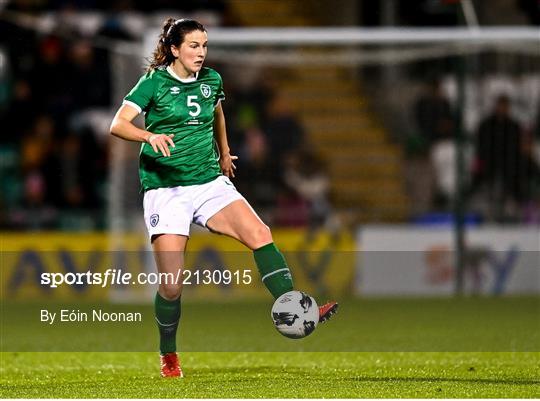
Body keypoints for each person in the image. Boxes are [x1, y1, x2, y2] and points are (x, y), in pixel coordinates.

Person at [109, 18, 338, 378]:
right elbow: (117, 124)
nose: (201, 53)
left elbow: (216, 109)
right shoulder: (153, 82)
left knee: (261, 234)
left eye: (204, 45)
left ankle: (296, 307)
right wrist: (148, 137)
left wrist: (225, 150)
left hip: (208, 183)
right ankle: (168, 354)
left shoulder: (212, 80)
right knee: (171, 285)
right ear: (174, 50)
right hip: (166, 189)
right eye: (193, 46)